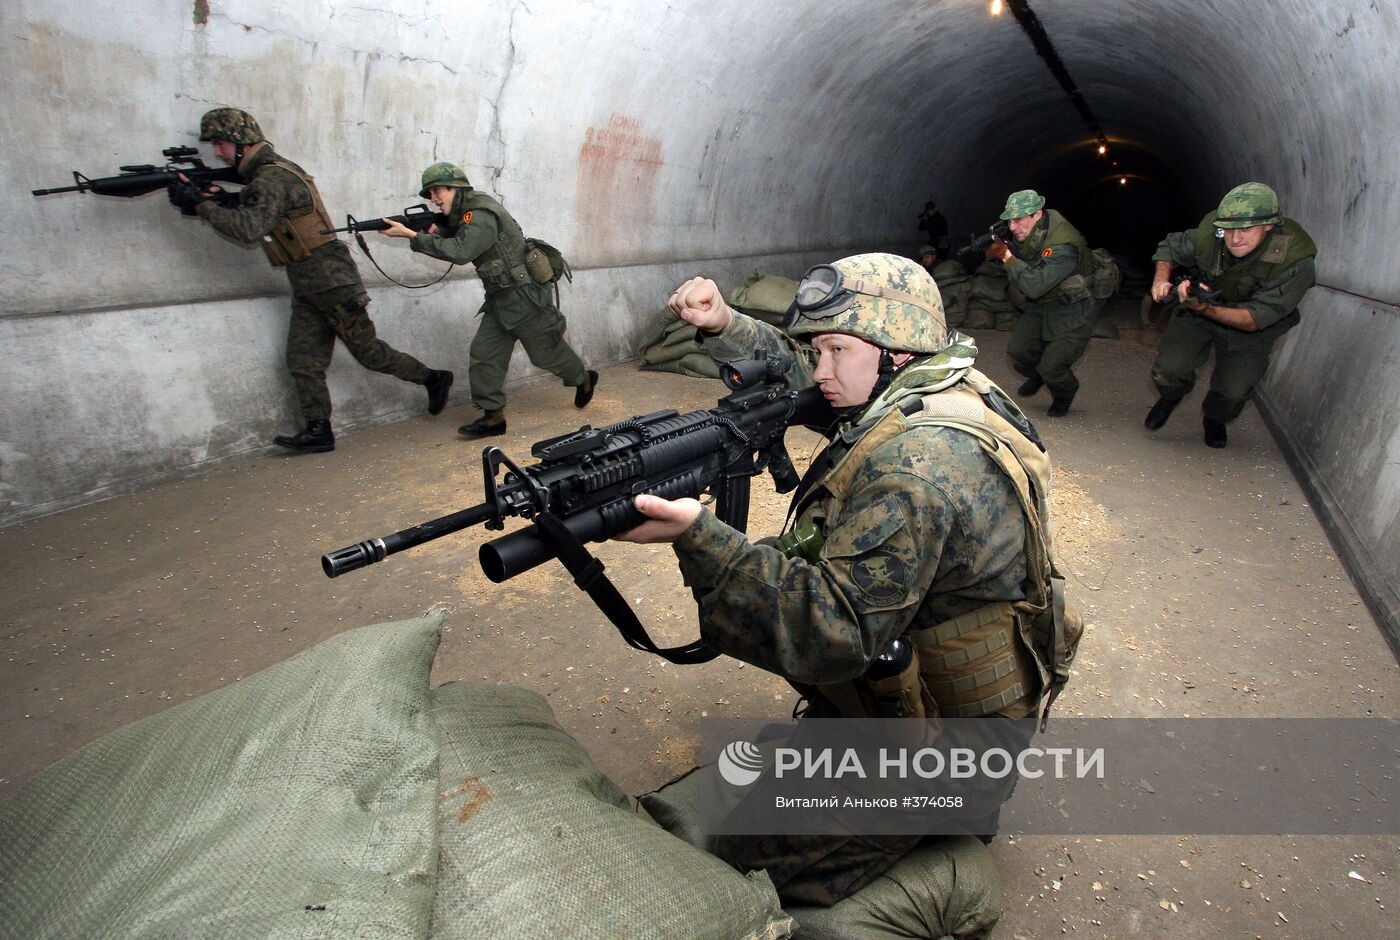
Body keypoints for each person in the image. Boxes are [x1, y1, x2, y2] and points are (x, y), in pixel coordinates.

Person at [617, 253, 1077, 906]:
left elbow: (828, 633)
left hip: (950, 744)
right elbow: (808, 367)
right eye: (818, 348)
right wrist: (727, 326)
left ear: (895, 351)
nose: (819, 370)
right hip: (948, 699)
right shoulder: (942, 381)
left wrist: (701, 539)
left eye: (836, 350)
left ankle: (953, 816)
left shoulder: (917, 470)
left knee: (747, 859)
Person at [173, 108, 453, 454]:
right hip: (308, 281)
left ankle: (433, 378)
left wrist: (203, 206)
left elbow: (247, 228)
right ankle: (318, 429)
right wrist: (218, 199)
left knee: (368, 353)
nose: (217, 152)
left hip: (330, 280)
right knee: (303, 360)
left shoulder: (271, 178)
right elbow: (261, 211)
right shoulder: (271, 176)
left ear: (241, 142)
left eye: (220, 144)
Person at [381, 163, 596, 438]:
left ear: (456, 188)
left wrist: (412, 236)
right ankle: (493, 417)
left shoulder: (479, 212)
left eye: (437, 191)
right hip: (500, 299)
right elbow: (463, 237)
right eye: (429, 193)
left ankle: (583, 378)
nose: (433, 198)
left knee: (545, 354)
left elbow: (463, 250)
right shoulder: (464, 214)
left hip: (525, 298)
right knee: (485, 355)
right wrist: (436, 231)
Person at [1144, 182, 1317, 448]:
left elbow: (1254, 319)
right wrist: (1161, 280)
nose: (1235, 239)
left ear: (1269, 226)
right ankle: (1170, 396)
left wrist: (1205, 307)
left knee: (1233, 392)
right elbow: (1170, 247)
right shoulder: (1210, 233)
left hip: (1249, 321)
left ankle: (1215, 418)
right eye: (1229, 230)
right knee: (1169, 371)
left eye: (1246, 229)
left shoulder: (1293, 257)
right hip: (1200, 309)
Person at [984, 189, 1105, 417]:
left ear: (1037, 215)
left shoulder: (1064, 244)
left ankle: (1064, 394)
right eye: (1009, 221)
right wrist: (1005, 245)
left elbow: (1035, 285)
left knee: (1053, 367)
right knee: (1018, 353)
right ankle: (1038, 374)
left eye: (1018, 220)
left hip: (1072, 307)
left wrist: (1006, 256)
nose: (1012, 227)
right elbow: (1029, 256)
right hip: (1044, 302)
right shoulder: (1033, 230)